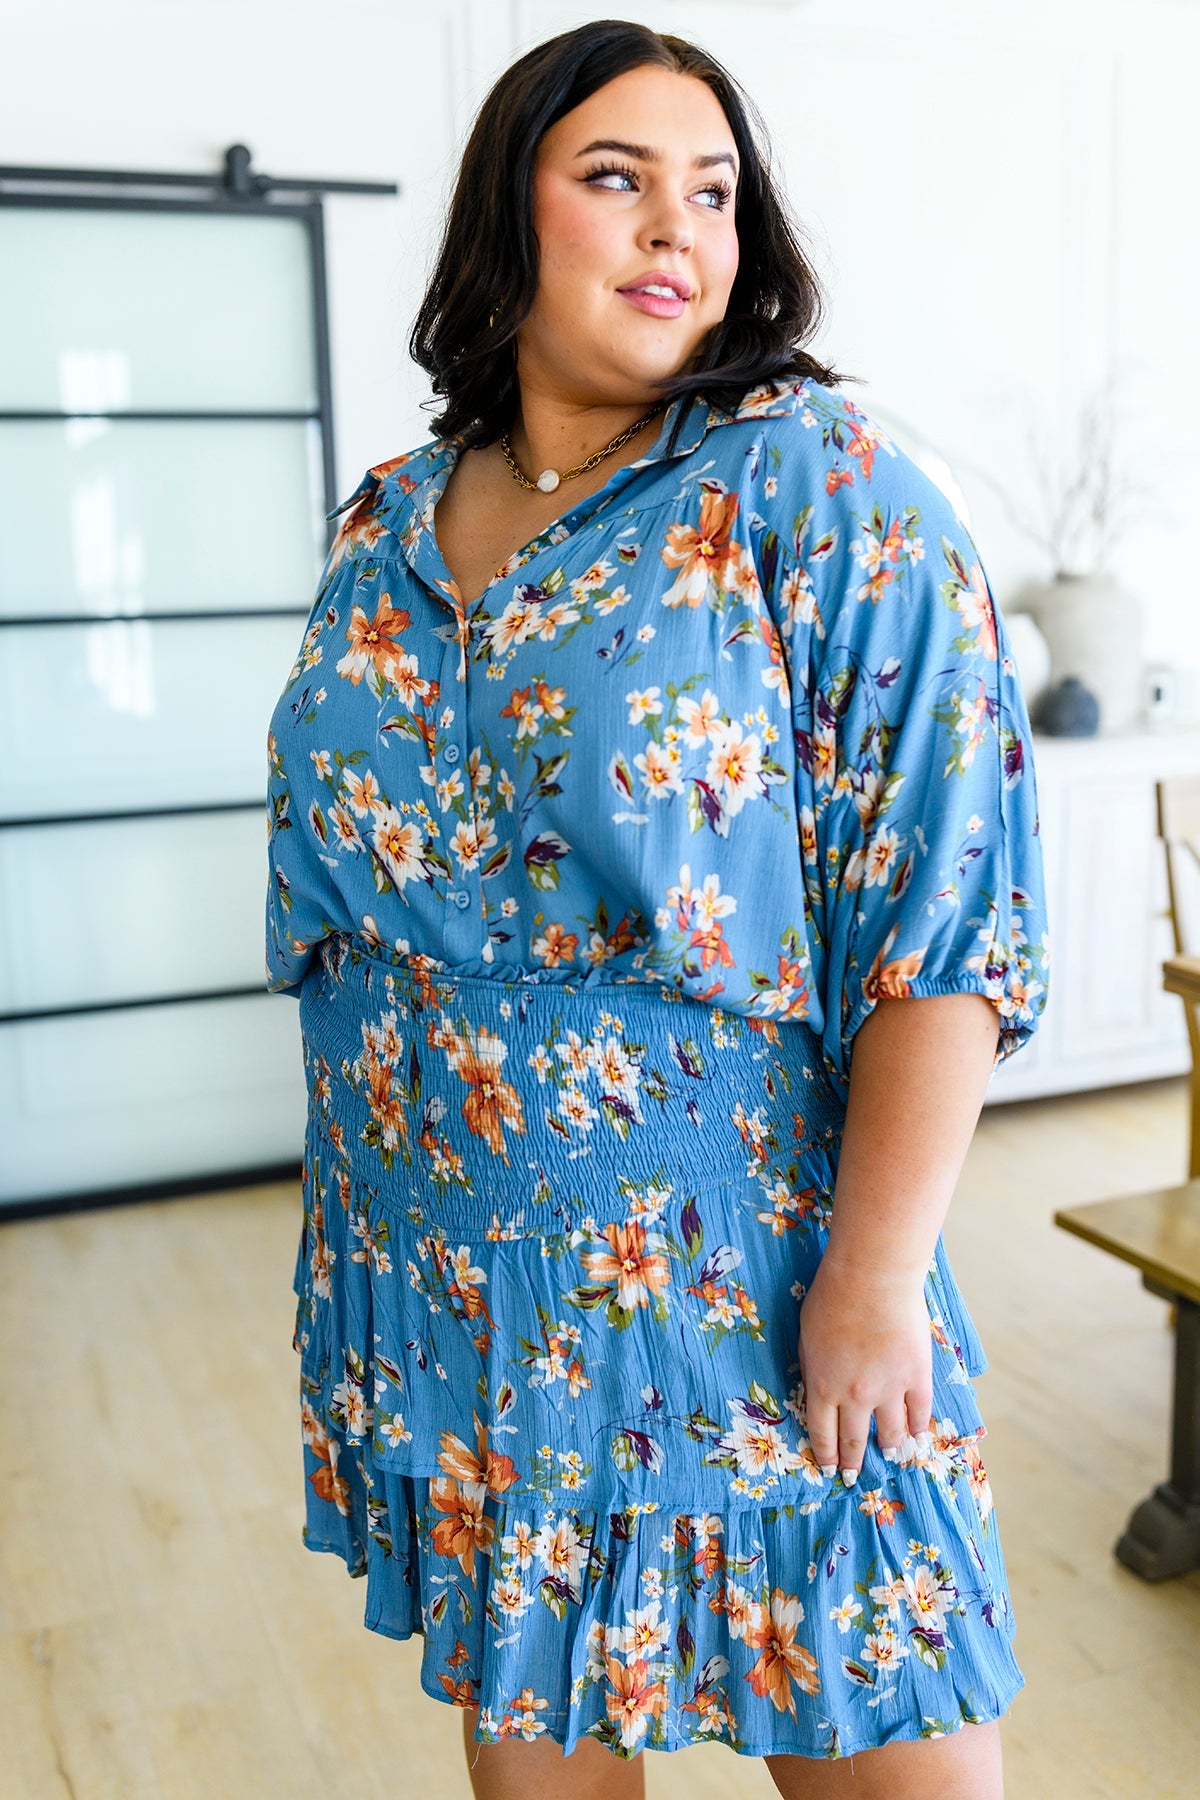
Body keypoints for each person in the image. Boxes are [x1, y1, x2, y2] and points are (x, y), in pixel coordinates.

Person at [264, 18, 1049, 1799]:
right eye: (615, 177)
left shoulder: (820, 483)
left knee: (892, 1740)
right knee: (535, 1742)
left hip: (739, 1265)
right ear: (508, 213)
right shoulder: (388, 517)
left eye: (712, 190)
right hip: (448, 1265)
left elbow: (948, 915)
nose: (673, 226)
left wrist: (876, 1279)